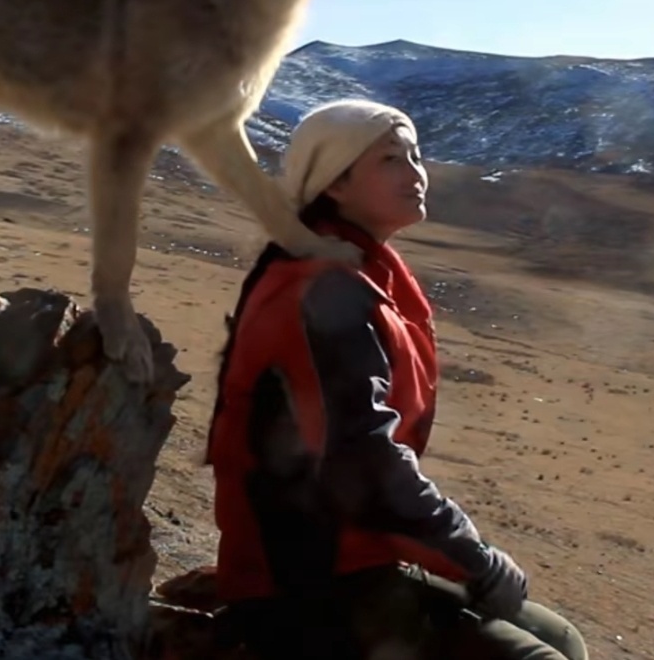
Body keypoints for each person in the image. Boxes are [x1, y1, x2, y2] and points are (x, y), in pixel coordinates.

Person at [204, 98, 588, 660]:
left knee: (562, 637)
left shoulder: (359, 271)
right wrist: (472, 557)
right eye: (391, 159)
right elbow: (363, 458)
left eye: (415, 155)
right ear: (334, 184)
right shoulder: (320, 289)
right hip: (301, 581)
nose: (416, 173)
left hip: (349, 552)